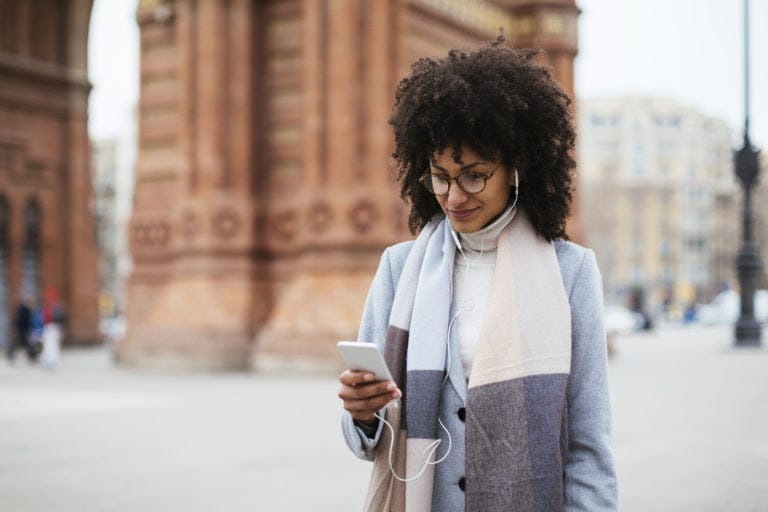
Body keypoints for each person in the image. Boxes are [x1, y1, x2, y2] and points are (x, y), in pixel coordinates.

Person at [338, 37, 617, 511]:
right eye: (440, 176)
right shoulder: (399, 270)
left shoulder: (571, 272)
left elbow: (588, 446)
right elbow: (366, 441)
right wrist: (363, 414)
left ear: (516, 168)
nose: (453, 196)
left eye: (473, 175)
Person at [7, 295, 38, 363]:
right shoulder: (23, 310)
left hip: (24, 330)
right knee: (20, 343)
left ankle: (32, 356)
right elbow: (20, 321)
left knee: (25, 343)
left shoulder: (26, 310)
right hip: (21, 330)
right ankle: (11, 355)